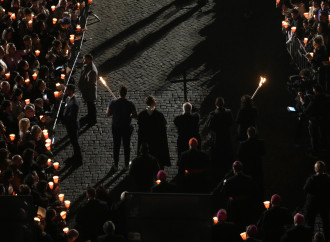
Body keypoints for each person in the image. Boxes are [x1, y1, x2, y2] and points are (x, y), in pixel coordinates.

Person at [107, 85, 137, 170]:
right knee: (126, 146)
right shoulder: (130, 103)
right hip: (126, 127)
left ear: (118, 93)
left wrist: (114, 111)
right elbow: (135, 115)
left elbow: (108, 114)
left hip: (116, 127)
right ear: (126, 93)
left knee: (116, 146)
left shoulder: (113, 102)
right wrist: (130, 115)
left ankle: (116, 165)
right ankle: (126, 165)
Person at [222, 161, 257, 230]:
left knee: (235, 225)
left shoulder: (229, 181)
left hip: (234, 206)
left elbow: (224, 193)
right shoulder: (249, 179)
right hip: (246, 205)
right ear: (242, 168)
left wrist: (224, 184)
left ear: (234, 169)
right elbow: (254, 192)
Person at [137, 96, 170, 168]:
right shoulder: (159, 115)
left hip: (145, 141)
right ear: (153, 103)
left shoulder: (142, 114)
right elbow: (163, 131)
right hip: (157, 142)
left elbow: (140, 131)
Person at [206, 96, 234, 177]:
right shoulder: (228, 112)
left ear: (216, 104)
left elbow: (208, 126)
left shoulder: (213, 114)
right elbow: (231, 122)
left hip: (217, 139)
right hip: (226, 137)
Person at [303, 161, 330, 241]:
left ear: (316, 169)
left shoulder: (312, 179)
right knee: (326, 223)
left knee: (310, 223)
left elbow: (305, 189)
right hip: (324, 203)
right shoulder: (328, 178)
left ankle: (309, 239)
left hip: (313, 204)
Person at [237, 126, 265, 198]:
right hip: (258, 168)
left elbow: (239, 157)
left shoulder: (243, 144)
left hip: (247, 168)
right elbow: (264, 153)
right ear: (255, 133)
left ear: (247, 133)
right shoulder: (260, 143)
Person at [62, 84, 82, 166]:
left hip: (72, 126)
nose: (65, 90)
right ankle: (75, 156)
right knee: (73, 142)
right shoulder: (68, 98)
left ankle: (79, 159)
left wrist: (64, 120)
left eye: (66, 89)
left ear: (71, 91)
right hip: (69, 125)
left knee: (75, 143)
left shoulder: (74, 103)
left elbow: (71, 117)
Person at [78, 54, 98, 125]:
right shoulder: (86, 66)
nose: (83, 61)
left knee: (91, 105)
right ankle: (90, 115)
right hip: (87, 91)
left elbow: (90, 83)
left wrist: (83, 87)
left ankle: (93, 119)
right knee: (89, 104)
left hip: (90, 91)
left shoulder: (92, 71)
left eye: (85, 60)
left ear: (89, 60)